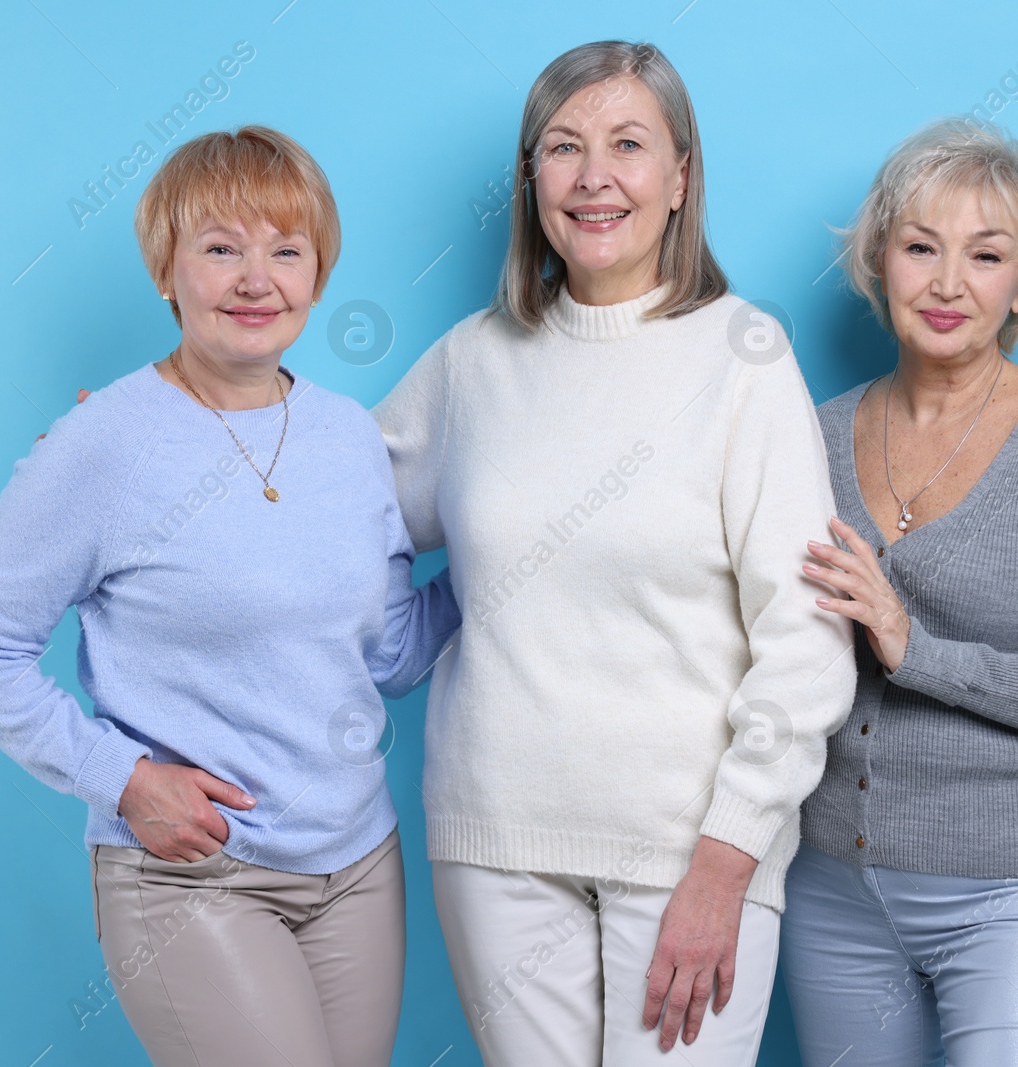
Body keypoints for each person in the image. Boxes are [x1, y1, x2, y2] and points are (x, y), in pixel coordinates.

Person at [372, 41, 856, 1066]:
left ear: (680, 176)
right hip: (496, 837)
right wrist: (184, 433)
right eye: (563, 147)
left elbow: (807, 640)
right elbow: (325, 509)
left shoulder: (744, 358)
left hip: (692, 847)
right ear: (530, 179)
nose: (594, 177)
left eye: (627, 145)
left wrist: (726, 861)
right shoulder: (471, 361)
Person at [0, 126, 459, 1067]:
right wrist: (124, 780)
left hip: (359, 864)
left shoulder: (346, 437)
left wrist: (506, 557)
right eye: (222, 248)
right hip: (194, 873)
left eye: (286, 250)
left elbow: (391, 657)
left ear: (318, 273)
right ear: (166, 270)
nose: (257, 280)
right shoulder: (101, 443)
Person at [782, 118, 1018, 1066]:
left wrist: (918, 652)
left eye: (986, 255)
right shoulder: (809, 436)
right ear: (882, 261)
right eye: (921, 247)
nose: (948, 283)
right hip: (832, 884)